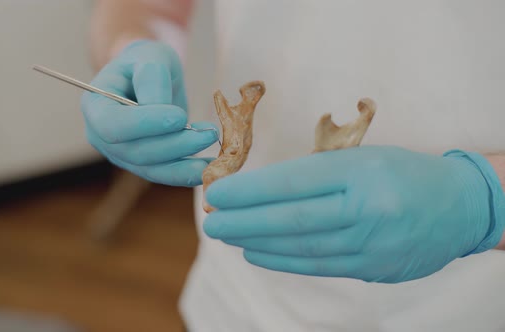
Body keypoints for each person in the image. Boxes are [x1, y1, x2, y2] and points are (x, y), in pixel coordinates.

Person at [82, 1, 505, 330]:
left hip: (477, 309)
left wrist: (484, 200)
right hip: (237, 304)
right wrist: (133, 45)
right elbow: (145, 5)